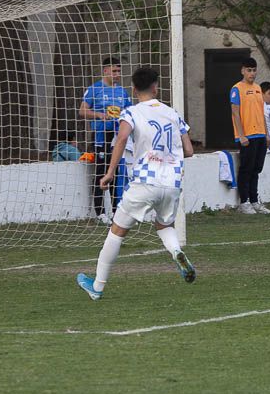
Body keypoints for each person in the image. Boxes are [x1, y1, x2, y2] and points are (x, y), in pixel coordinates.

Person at [76, 67, 195, 300]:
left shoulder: (131, 112)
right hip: (171, 182)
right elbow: (189, 150)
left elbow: (121, 138)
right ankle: (177, 252)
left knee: (117, 231)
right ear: (155, 87)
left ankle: (97, 287)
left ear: (133, 88)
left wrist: (110, 172)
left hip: (145, 181)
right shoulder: (172, 113)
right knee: (164, 226)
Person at [79, 57, 132, 222]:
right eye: (114, 71)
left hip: (118, 137)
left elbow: (130, 112)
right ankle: (100, 212)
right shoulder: (94, 89)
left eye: (119, 71)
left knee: (117, 173)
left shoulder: (122, 92)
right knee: (101, 171)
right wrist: (99, 115)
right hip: (101, 136)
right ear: (105, 70)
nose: (117, 74)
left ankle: (117, 212)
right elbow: (82, 111)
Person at [229, 57, 270, 215]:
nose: (252, 73)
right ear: (242, 71)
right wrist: (241, 135)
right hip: (247, 136)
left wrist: (266, 134)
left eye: (254, 70)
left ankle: (254, 200)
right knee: (246, 168)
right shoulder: (237, 89)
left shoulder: (259, 88)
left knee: (256, 169)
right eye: (249, 70)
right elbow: (235, 113)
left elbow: (261, 112)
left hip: (260, 134)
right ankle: (244, 202)